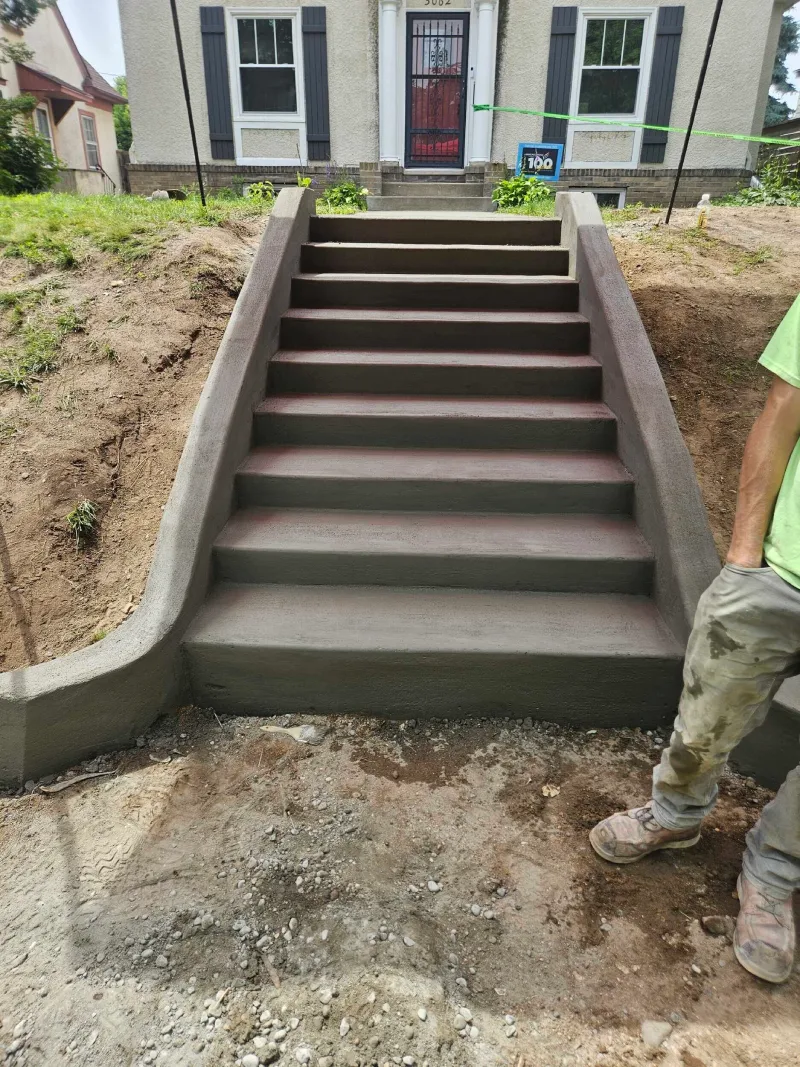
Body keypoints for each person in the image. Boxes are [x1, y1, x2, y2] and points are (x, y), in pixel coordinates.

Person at [590, 294, 800, 985]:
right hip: (779, 569)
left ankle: (773, 872)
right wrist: (742, 551)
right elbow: (783, 407)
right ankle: (677, 813)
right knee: (706, 713)